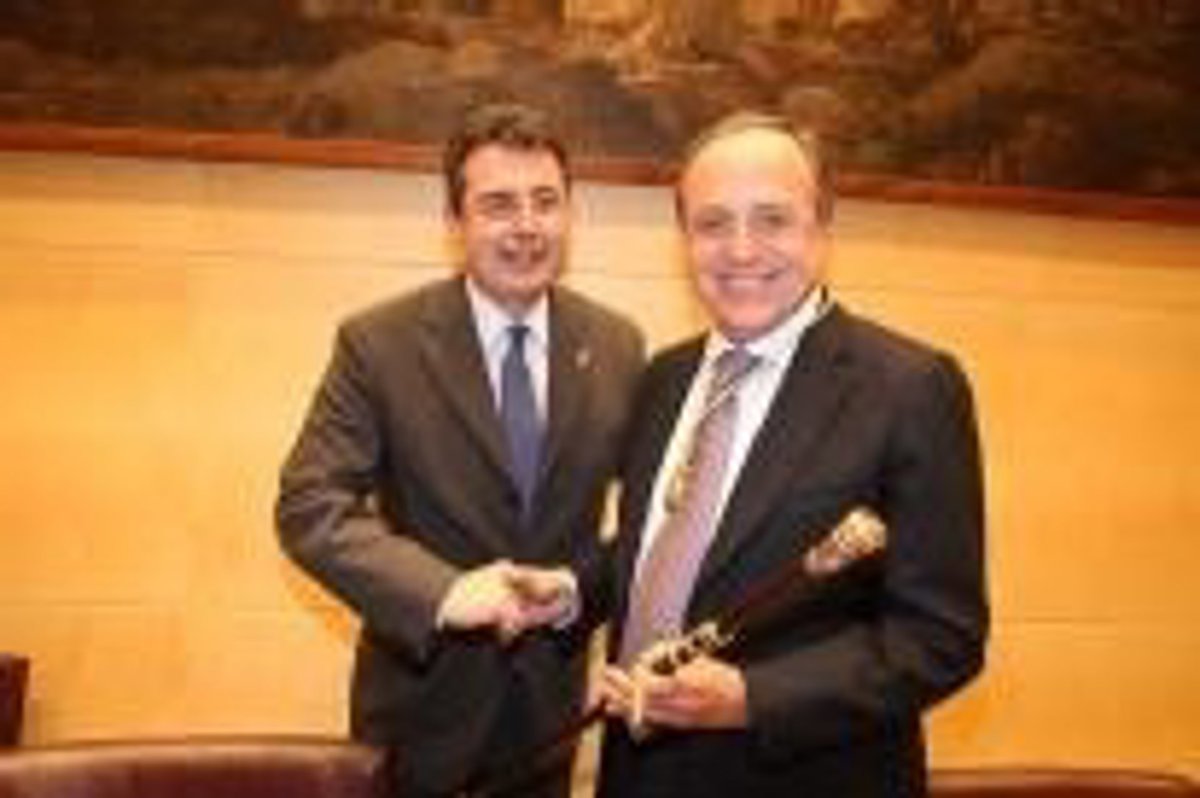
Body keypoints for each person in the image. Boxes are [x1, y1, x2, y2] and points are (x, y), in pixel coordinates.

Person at [593, 112, 988, 798]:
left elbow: (940, 637)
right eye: (713, 223)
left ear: (822, 227)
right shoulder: (663, 379)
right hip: (637, 774)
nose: (741, 249)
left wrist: (753, 698)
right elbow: (671, 554)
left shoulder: (909, 388)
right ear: (684, 239)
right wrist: (572, 589)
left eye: (772, 219)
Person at [274, 102, 644, 798]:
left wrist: (574, 590)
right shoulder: (378, 344)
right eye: (499, 205)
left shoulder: (618, 345)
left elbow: (654, 521)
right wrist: (443, 592)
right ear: (454, 222)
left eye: (546, 202)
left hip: (549, 721)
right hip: (420, 715)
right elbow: (311, 506)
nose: (527, 225)